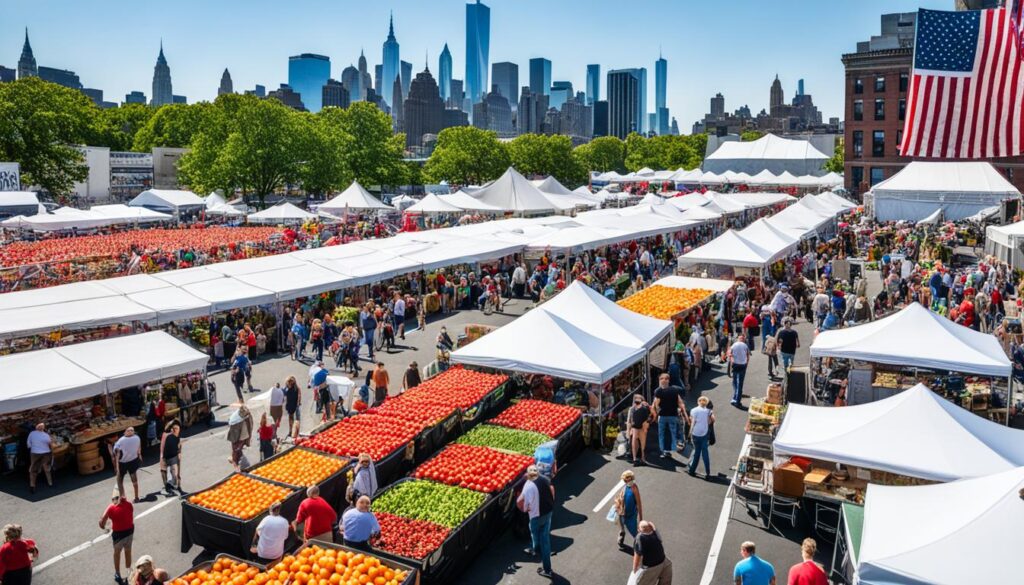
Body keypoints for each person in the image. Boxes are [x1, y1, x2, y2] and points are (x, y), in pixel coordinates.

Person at [517, 465, 554, 579]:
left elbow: (520, 501)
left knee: (535, 533)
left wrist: (524, 509)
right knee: (545, 536)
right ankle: (542, 559)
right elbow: (552, 489)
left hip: (537, 516)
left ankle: (535, 551)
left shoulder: (528, 486)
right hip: (548, 512)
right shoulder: (544, 478)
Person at [100, 489, 134, 585]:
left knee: (117, 553)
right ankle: (128, 572)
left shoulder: (111, 508)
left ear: (114, 498)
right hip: (129, 532)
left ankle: (118, 573)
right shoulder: (129, 504)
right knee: (128, 551)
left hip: (118, 535)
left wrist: (104, 527)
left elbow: (102, 522)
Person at [651, 373, 685, 459]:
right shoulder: (675, 390)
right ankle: (672, 448)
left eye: (663, 379)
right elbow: (680, 402)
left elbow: (655, 404)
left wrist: (656, 413)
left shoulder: (658, 391)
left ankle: (665, 451)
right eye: (661, 379)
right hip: (673, 416)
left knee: (662, 433)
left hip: (663, 416)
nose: (662, 380)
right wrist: (683, 412)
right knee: (672, 432)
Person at [631, 520, 672, 585]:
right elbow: (660, 539)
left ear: (638, 530)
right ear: (650, 528)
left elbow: (637, 556)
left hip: (651, 567)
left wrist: (634, 569)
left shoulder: (640, 537)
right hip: (664, 562)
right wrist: (652, 525)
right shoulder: (654, 533)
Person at [251, 500, 290, 564]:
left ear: (270, 510)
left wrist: (254, 545)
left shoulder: (266, 519)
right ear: (279, 510)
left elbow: (257, 530)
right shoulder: (284, 521)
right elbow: (285, 537)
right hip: (277, 554)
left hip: (263, 553)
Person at [113, 427, 143, 503]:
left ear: (124, 432)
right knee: (134, 480)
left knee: (119, 480)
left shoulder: (121, 440)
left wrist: (116, 466)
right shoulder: (137, 438)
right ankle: (136, 497)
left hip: (123, 462)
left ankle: (123, 498)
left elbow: (116, 452)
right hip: (133, 460)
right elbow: (139, 449)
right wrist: (139, 455)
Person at [688, 396, 715, 479]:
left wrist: (689, 433)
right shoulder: (708, 411)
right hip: (704, 434)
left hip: (696, 433)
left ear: (698, 402)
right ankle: (708, 473)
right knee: (705, 453)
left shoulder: (694, 410)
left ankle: (692, 470)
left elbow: (692, 422)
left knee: (697, 452)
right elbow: (712, 420)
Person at [615, 470, 643, 548]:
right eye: (626, 478)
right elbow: (620, 499)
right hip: (622, 513)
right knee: (622, 526)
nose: (628, 480)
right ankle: (622, 534)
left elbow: (639, 504)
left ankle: (640, 547)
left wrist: (641, 520)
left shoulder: (634, 488)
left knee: (635, 532)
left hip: (631, 515)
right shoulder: (625, 487)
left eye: (629, 478)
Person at [626, 394, 653, 466]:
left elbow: (651, 416)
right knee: (635, 442)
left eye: (638, 400)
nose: (636, 402)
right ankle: (635, 459)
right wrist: (629, 430)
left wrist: (646, 423)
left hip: (641, 428)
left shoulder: (645, 408)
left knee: (642, 443)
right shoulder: (632, 409)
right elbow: (629, 420)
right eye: (635, 401)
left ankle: (642, 458)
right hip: (635, 428)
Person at [26, 423, 52, 494]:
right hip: (46, 453)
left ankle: (32, 485)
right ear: (43, 428)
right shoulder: (46, 435)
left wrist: (33, 448)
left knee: (33, 469)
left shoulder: (31, 433)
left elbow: (28, 443)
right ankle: (50, 482)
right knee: (46, 468)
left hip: (35, 453)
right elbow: (50, 444)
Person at [226, 405, 253, 470]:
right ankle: (235, 462)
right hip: (236, 433)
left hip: (242, 433)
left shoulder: (246, 417)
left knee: (238, 447)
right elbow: (233, 432)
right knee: (236, 448)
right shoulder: (234, 420)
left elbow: (250, 424)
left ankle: (236, 458)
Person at [158, 420, 182, 493]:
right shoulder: (175, 434)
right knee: (173, 470)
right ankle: (176, 486)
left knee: (164, 470)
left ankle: (168, 486)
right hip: (172, 455)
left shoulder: (166, 434)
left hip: (166, 456)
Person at [729, 337, 750, 406]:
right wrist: (746, 365)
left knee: (734, 381)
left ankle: (735, 397)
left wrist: (732, 362)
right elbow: (748, 357)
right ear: (743, 340)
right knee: (740, 383)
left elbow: (730, 354)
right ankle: (737, 401)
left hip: (735, 364)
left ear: (738, 339)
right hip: (742, 365)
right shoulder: (745, 345)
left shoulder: (734, 344)